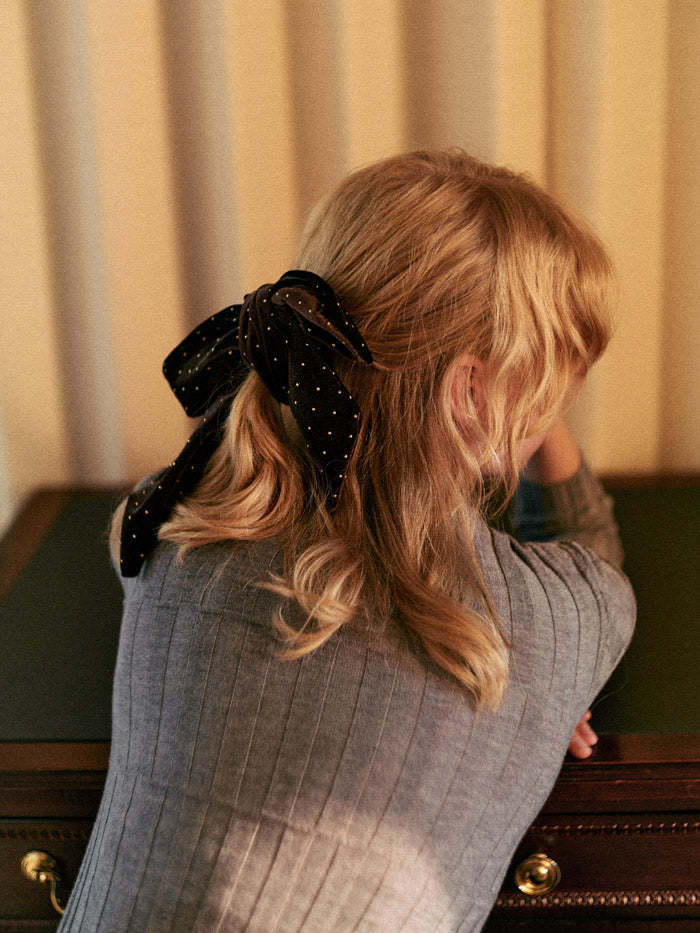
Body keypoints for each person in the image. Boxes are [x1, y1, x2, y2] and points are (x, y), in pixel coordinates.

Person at [59, 150, 635, 932]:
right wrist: (555, 683)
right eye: (553, 380)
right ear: (472, 390)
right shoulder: (547, 622)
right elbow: (589, 542)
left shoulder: (171, 524)